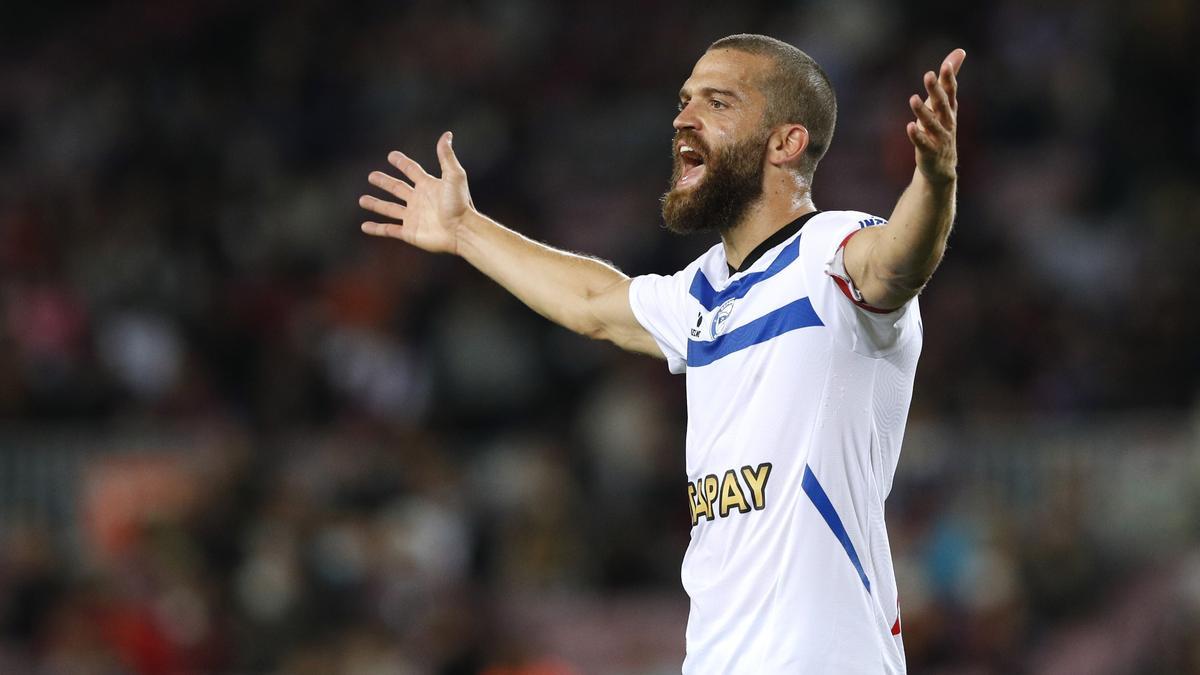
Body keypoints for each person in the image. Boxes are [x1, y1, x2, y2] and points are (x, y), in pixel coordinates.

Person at [359, 33, 964, 675]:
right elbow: (594, 303)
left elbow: (900, 261)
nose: (683, 117)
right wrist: (465, 230)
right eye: (683, 100)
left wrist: (935, 179)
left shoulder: (831, 251)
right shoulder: (701, 293)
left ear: (786, 142)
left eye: (718, 102)